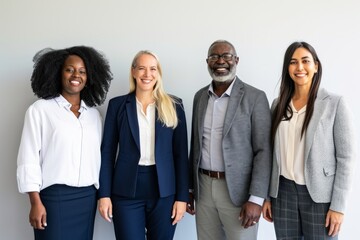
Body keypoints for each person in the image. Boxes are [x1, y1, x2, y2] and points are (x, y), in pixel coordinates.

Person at [262, 41, 356, 239]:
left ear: (316, 66)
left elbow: (346, 158)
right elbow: (270, 154)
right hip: (283, 194)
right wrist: (268, 197)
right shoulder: (278, 105)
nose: (300, 67)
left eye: (305, 61)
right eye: (293, 62)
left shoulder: (335, 103)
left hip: (320, 197)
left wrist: (338, 206)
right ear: (287, 68)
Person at [17, 46, 113, 240]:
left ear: (89, 77)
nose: (75, 75)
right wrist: (35, 203)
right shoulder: (40, 110)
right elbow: (28, 158)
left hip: (87, 199)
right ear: (58, 73)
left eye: (82, 71)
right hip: (54, 198)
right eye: (69, 69)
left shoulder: (94, 116)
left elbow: (98, 158)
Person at [98, 50, 189, 240]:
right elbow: (107, 153)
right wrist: (104, 195)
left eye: (153, 69)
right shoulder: (118, 106)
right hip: (125, 192)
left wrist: (182, 197)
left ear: (159, 73)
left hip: (164, 192)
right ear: (133, 72)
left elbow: (181, 156)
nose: (147, 74)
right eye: (142, 68)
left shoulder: (174, 105)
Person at [186, 39, 272, 240]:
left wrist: (257, 198)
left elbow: (264, 151)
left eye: (226, 56)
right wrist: (189, 188)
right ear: (207, 61)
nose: (220, 61)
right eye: (214, 56)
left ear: (236, 60)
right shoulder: (200, 97)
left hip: (239, 193)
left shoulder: (255, 97)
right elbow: (195, 146)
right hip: (204, 189)